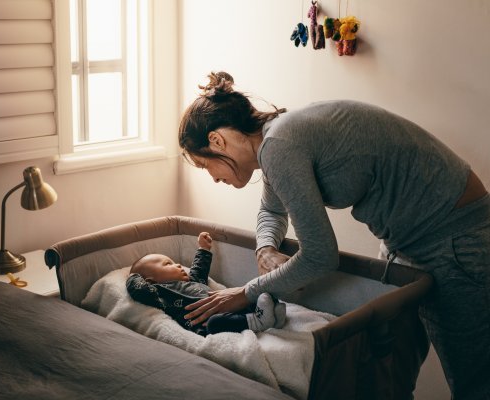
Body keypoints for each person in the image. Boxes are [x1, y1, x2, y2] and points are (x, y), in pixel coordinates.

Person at [178, 71, 489, 400]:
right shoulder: (275, 140)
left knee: (474, 382)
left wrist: (248, 292)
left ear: (216, 141)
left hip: (452, 234)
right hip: (406, 239)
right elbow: (271, 211)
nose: (212, 178)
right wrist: (265, 248)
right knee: (388, 372)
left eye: (204, 166)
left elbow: (321, 256)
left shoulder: (279, 146)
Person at [126, 231, 286, 336]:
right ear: (149, 281)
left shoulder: (192, 281)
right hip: (205, 323)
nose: (178, 265)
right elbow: (138, 290)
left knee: (248, 297)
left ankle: (269, 318)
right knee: (215, 323)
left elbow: (199, 270)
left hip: (227, 306)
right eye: (168, 264)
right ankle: (258, 321)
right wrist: (133, 275)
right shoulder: (158, 293)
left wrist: (203, 248)